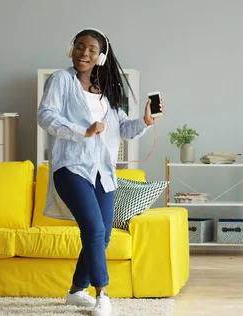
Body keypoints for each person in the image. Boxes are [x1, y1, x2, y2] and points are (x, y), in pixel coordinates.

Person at [37, 28, 164, 316]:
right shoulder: (61, 80)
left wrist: (144, 121)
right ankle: (102, 294)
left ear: (101, 56)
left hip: (103, 172)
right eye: (80, 47)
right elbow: (46, 116)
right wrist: (83, 130)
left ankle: (75, 291)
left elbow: (124, 130)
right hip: (71, 166)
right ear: (71, 49)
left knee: (104, 235)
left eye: (92, 49)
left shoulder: (106, 93)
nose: (85, 53)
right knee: (93, 229)